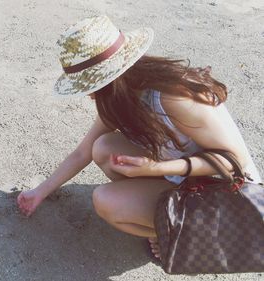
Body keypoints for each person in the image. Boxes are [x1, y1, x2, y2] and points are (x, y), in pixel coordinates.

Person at [16, 15, 262, 260]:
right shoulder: (120, 96)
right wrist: (40, 192)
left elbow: (232, 160)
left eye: (87, 86)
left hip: (227, 193)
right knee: (103, 148)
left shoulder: (175, 96)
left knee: (106, 200)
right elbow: (84, 151)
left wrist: (156, 168)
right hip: (183, 177)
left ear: (108, 79)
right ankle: (164, 219)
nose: (88, 94)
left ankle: (189, 239)